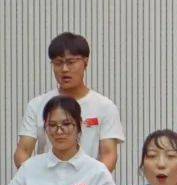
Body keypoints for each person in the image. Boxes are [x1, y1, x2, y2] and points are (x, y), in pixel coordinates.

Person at [14, 32, 124, 172]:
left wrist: (90, 180)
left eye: (71, 62)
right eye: (58, 63)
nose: (64, 69)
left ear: (85, 62)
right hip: (47, 181)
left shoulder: (105, 107)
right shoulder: (37, 105)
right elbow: (23, 151)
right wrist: (37, 179)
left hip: (88, 182)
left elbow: (109, 155)